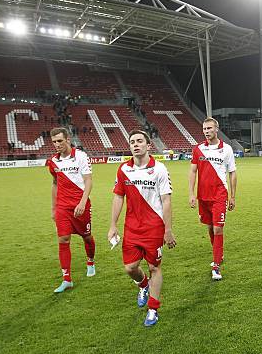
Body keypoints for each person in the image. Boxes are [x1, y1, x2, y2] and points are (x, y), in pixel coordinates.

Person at [108, 130, 176, 327]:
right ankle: (143, 285)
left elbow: (166, 201)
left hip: (154, 227)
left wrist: (168, 229)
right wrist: (113, 225)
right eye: (132, 142)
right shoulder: (123, 170)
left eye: (139, 141)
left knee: (155, 267)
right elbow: (118, 197)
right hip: (132, 228)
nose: (136, 144)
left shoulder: (160, 169)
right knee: (130, 268)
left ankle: (153, 309)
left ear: (148, 145)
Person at [47, 127, 96, 293]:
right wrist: (54, 208)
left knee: (87, 237)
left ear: (68, 139)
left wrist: (82, 203)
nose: (57, 144)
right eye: (54, 142)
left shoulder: (80, 156)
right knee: (63, 240)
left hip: (80, 205)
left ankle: (90, 262)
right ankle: (66, 279)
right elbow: (55, 183)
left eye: (60, 141)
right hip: (62, 207)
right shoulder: (53, 162)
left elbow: (88, 181)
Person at [188, 117, 237, 281]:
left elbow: (232, 173)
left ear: (216, 129)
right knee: (210, 228)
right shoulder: (198, 149)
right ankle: (219, 252)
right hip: (203, 196)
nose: (206, 131)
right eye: (204, 129)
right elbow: (193, 171)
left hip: (219, 195)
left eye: (209, 128)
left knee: (217, 229)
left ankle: (216, 265)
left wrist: (232, 196)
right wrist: (191, 193)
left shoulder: (227, 149)